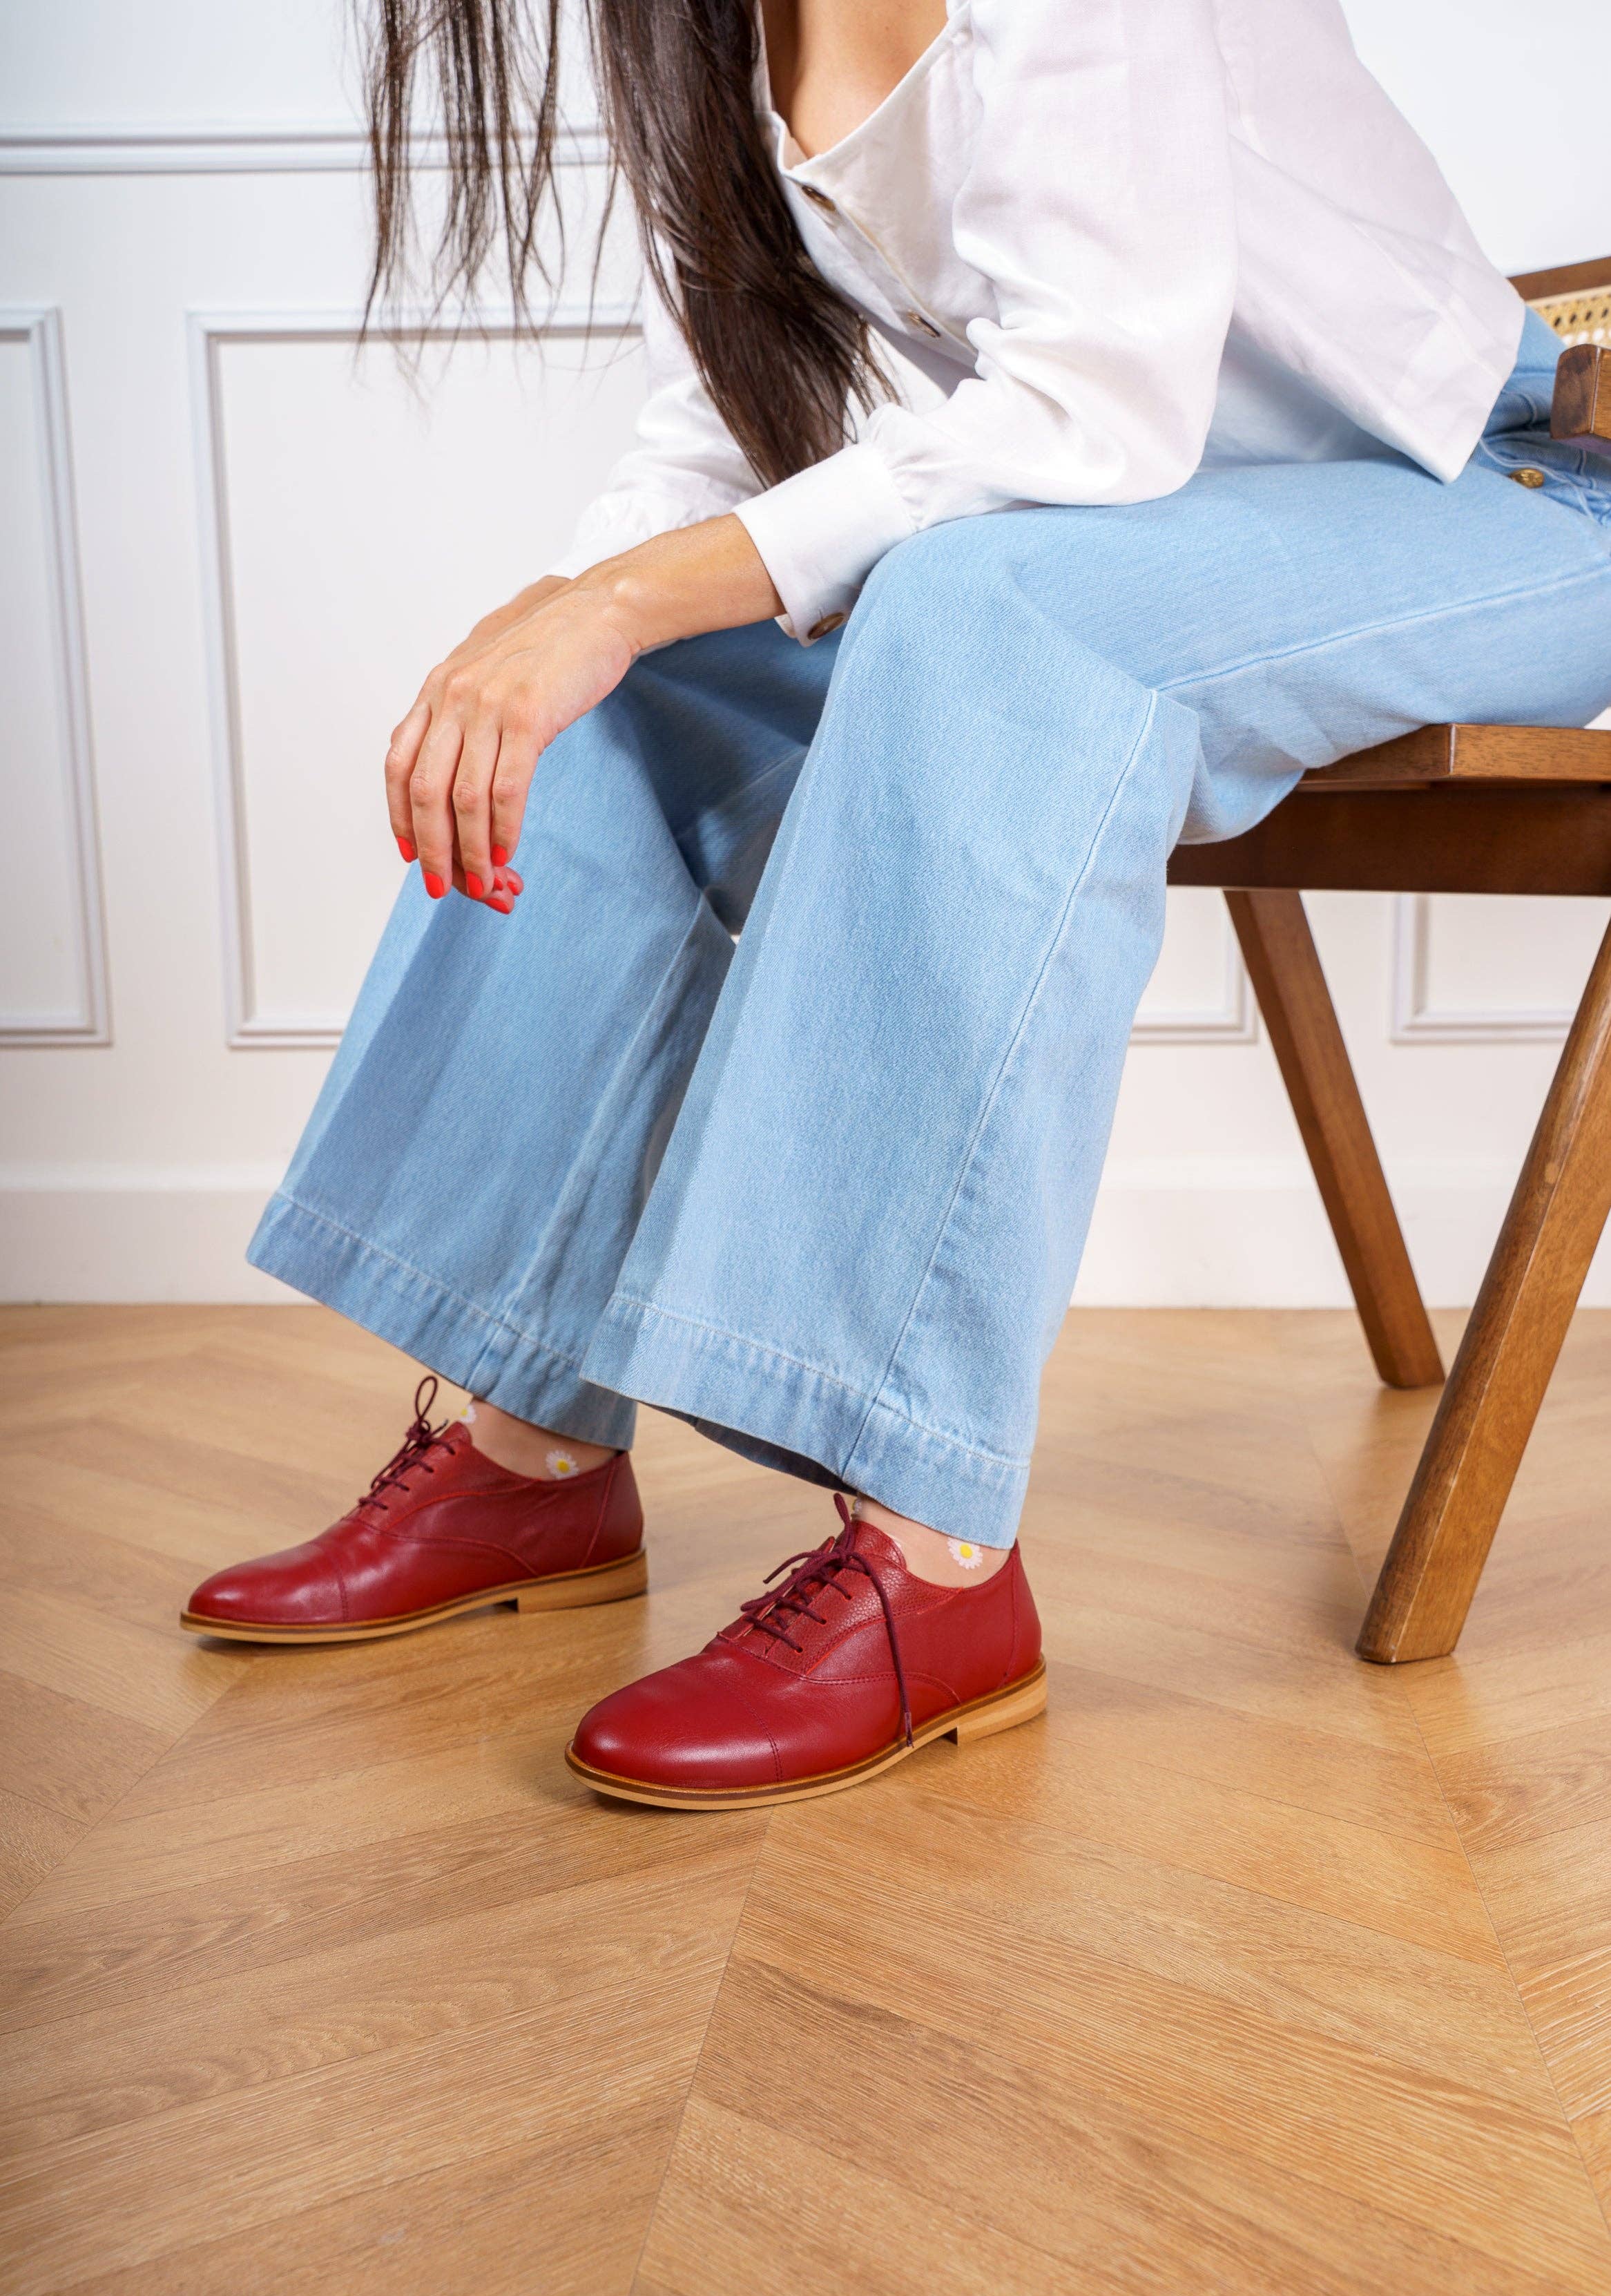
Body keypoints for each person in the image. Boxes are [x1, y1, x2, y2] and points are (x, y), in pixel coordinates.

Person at [184, 0, 1611, 1809]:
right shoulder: (700, 30)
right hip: (1160, 532)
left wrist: (612, 602)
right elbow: (723, 430)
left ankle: (933, 1554)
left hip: (1504, 500)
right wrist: (559, 622)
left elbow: (1097, 403)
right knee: (621, 684)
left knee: (972, 615)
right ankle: (524, 1441)